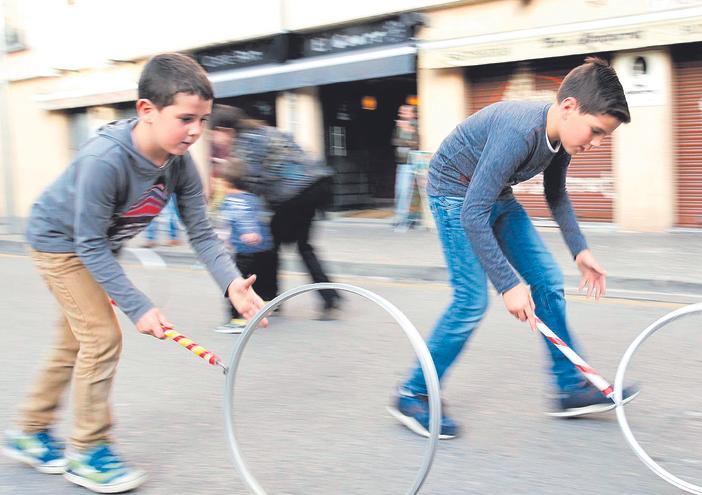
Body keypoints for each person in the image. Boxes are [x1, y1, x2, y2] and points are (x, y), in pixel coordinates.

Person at [2, 53, 267, 493]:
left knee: (75, 340)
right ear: (147, 110)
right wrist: (138, 306)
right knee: (101, 338)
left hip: (95, 247)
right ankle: (88, 450)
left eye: (203, 119)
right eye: (185, 118)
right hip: (60, 244)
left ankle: (29, 430)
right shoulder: (106, 159)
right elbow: (86, 243)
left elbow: (201, 231)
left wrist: (232, 283)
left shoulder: (179, 160)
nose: (196, 130)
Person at [388, 57, 639, 440]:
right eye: (596, 131)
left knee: (548, 280)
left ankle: (569, 388)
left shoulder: (559, 137)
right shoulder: (519, 131)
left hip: (492, 195)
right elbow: (473, 214)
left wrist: (579, 249)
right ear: (569, 107)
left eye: (604, 135)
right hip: (454, 196)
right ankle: (412, 394)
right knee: (471, 301)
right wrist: (507, 283)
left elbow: (556, 194)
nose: (597, 143)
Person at [209, 105, 343, 320]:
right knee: (302, 246)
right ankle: (330, 298)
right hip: (317, 184)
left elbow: (249, 186)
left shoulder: (245, 143)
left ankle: (270, 298)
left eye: (214, 132)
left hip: (295, 192)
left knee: (269, 245)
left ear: (225, 129)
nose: (214, 139)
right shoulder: (263, 131)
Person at [215, 158, 277, 334]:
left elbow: (232, 223)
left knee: (235, 285)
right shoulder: (253, 199)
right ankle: (264, 305)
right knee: (261, 281)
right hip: (265, 249)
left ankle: (237, 318)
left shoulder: (230, 201)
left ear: (226, 183)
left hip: (243, 250)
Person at [392, 104, 420, 231]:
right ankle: (401, 218)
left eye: (405, 111)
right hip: (402, 163)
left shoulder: (415, 126)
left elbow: (416, 143)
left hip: (413, 163)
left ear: (412, 114)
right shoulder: (399, 127)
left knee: (411, 194)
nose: (402, 113)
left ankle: (409, 219)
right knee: (401, 191)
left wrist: (408, 130)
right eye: (401, 111)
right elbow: (395, 141)